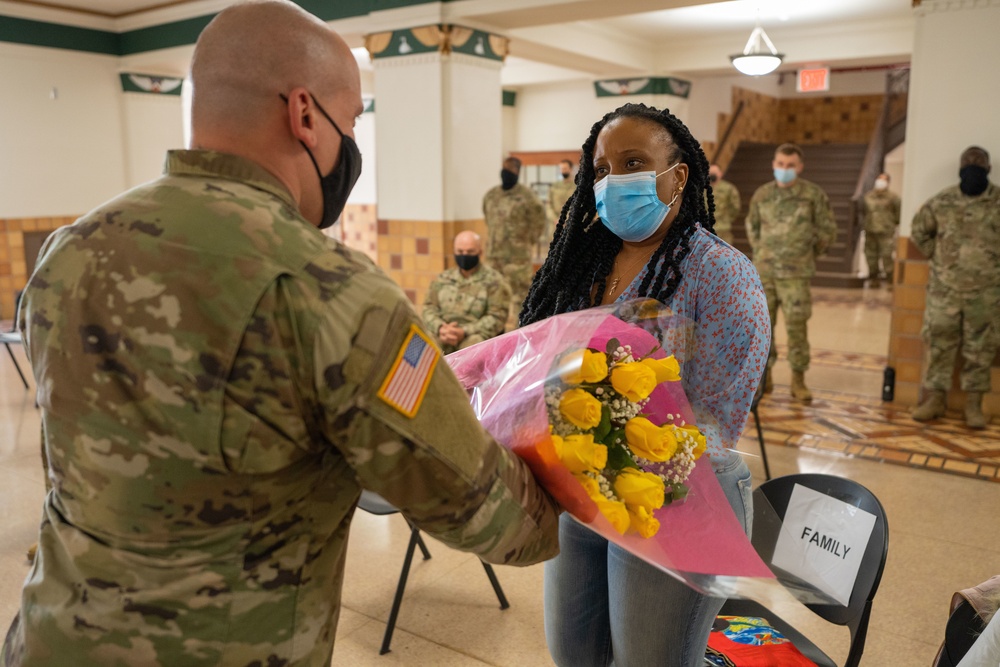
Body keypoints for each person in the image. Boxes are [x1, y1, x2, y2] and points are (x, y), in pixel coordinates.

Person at [0, 3, 560, 665]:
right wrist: (575, 492)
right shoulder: (329, 290)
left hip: (50, 639)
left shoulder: (70, 251)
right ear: (303, 114)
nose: (349, 144)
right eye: (351, 122)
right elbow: (479, 507)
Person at [521, 103, 769, 667]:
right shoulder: (579, 266)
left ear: (677, 175)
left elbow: (717, 418)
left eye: (632, 162)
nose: (612, 182)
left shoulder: (721, 274)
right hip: (583, 486)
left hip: (679, 493)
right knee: (573, 653)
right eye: (603, 170)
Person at [910, 146, 1000, 429]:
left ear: (988, 169)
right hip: (944, 292)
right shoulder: (942, 201)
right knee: (939, 345)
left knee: (980, 350)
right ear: (960, 169)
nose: (972, 169)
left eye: (978, 164)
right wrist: (937, 258)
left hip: (985, 294)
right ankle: (935, 400)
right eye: (967, 165)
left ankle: (974, 405)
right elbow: (919, 231)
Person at [746, 143, 837, 403]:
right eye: (780, 164)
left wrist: (806, 256)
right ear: (774, 164)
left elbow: (827, 231)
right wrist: (764, 254)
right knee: (764, 328)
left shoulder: (812, 195)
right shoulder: (762, 194)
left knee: (797, 328)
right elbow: (752, 227)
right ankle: (765, 380)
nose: (784, 169)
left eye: (790, 165)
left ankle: (798, 380)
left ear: (799, 167)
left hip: (796, 274)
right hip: (765, 273)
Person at [422, 230, 510, 354]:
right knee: (421, 346)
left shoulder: (494, 281)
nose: (464, 255)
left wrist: (464, 331)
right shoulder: (443, 279)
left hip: (474, 335)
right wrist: (440, 328)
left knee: (472, 351)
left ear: (480, 252)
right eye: (460, 252)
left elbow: (497, 317)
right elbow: (429, 308)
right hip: (444, 333)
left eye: (470, 252)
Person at [483, 156, 546, 315]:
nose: (506, 173)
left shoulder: (528, 197)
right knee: (494, 299)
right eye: (504, 169)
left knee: (519, 301)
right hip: (493, 258)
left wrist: (525, 242)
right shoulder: (491, 195)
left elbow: (539, 222)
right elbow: (488, 219)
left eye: (510, 169)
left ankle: (518, 336)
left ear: (517, 171)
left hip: (517, 260)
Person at [861, 172, 901, 287]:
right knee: (870, 256)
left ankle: (890, 280)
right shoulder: (868, 196)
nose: (880, 181)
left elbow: (898, 214)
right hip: (870, 229)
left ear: (888, 183)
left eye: (884, 180)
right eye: (879, 179)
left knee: (887, 256)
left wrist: (891, 224)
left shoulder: (894, 197)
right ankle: (874, 279)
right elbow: (864, 212)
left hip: (886, 231)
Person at [543, 159, 577, 250]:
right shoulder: (554, 186)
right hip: (555, 226)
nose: (563, 171)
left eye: (565, 168)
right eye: (561, 169)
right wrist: (555, 219)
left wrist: (568, 219)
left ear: (570, 169)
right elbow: (548, 205)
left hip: (571, 225)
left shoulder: (577, 186)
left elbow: (579, 206)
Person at [707, 163, 740, 245]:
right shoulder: (703, 189)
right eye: (710, 172)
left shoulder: (728, 188)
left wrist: (726, 220)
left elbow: (735, 208)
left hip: (723, 231)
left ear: (720, 174)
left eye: (715, 172)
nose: (712, 174)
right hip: (706, 230)